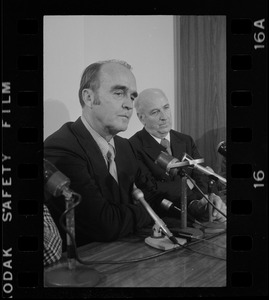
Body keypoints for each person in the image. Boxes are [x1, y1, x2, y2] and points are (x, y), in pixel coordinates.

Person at [44, 60, 161, 248]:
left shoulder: (125, 147)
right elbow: (104, 224)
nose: (129, 105)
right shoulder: (60, 147)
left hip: (130, 255)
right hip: (88, 264)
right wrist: (145, 212)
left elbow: (152, 195)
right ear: (89, 98)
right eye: (118, 93)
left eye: (132, 97)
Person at [129, 88, 226, 223]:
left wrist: (206, 200)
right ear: (141, 117)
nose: (164, 116)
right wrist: (190, 190)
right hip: (166, 220)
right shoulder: (133, 146)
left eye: (166, 108)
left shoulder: (185, 140)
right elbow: (151, 191)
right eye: (155, 112)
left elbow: (203, 178)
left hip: (200, 216)